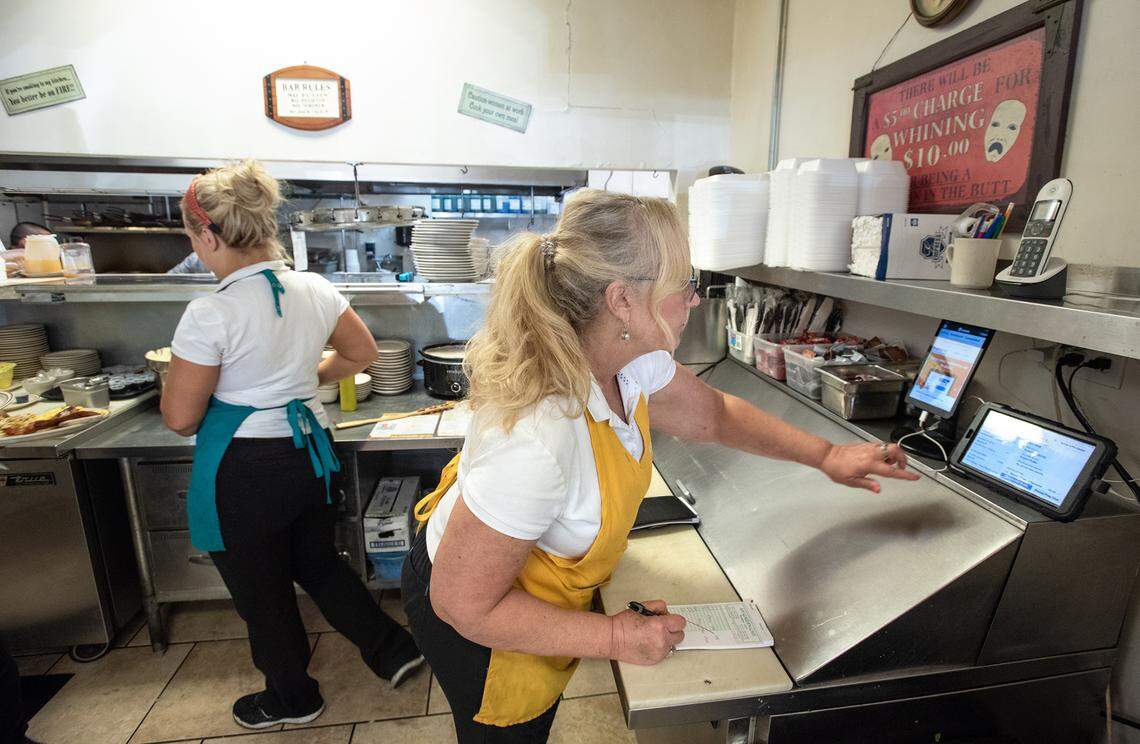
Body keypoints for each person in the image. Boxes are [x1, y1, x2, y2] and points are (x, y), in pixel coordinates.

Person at [404, 189, 920, 743]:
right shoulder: (540, 433)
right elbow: (463, 604)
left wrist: (827, 455)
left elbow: (714, 414)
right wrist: (616, 638)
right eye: (684, 284)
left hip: (522, 587)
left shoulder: (628, 361)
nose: (694, 300)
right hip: (477, 614)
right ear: (622, 300)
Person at [161, 160, 423, 730]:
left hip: (245, 467)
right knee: (317, 561)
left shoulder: (211, 311)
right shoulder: (315, 287)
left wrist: (234, 394)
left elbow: (180, 418)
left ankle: (292, 698)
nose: (195, 249)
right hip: (310, 453)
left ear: (208, 235)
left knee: (263, 591)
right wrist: (301, 382)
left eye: (192, 239)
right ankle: (394, 649)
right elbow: (362, 355)